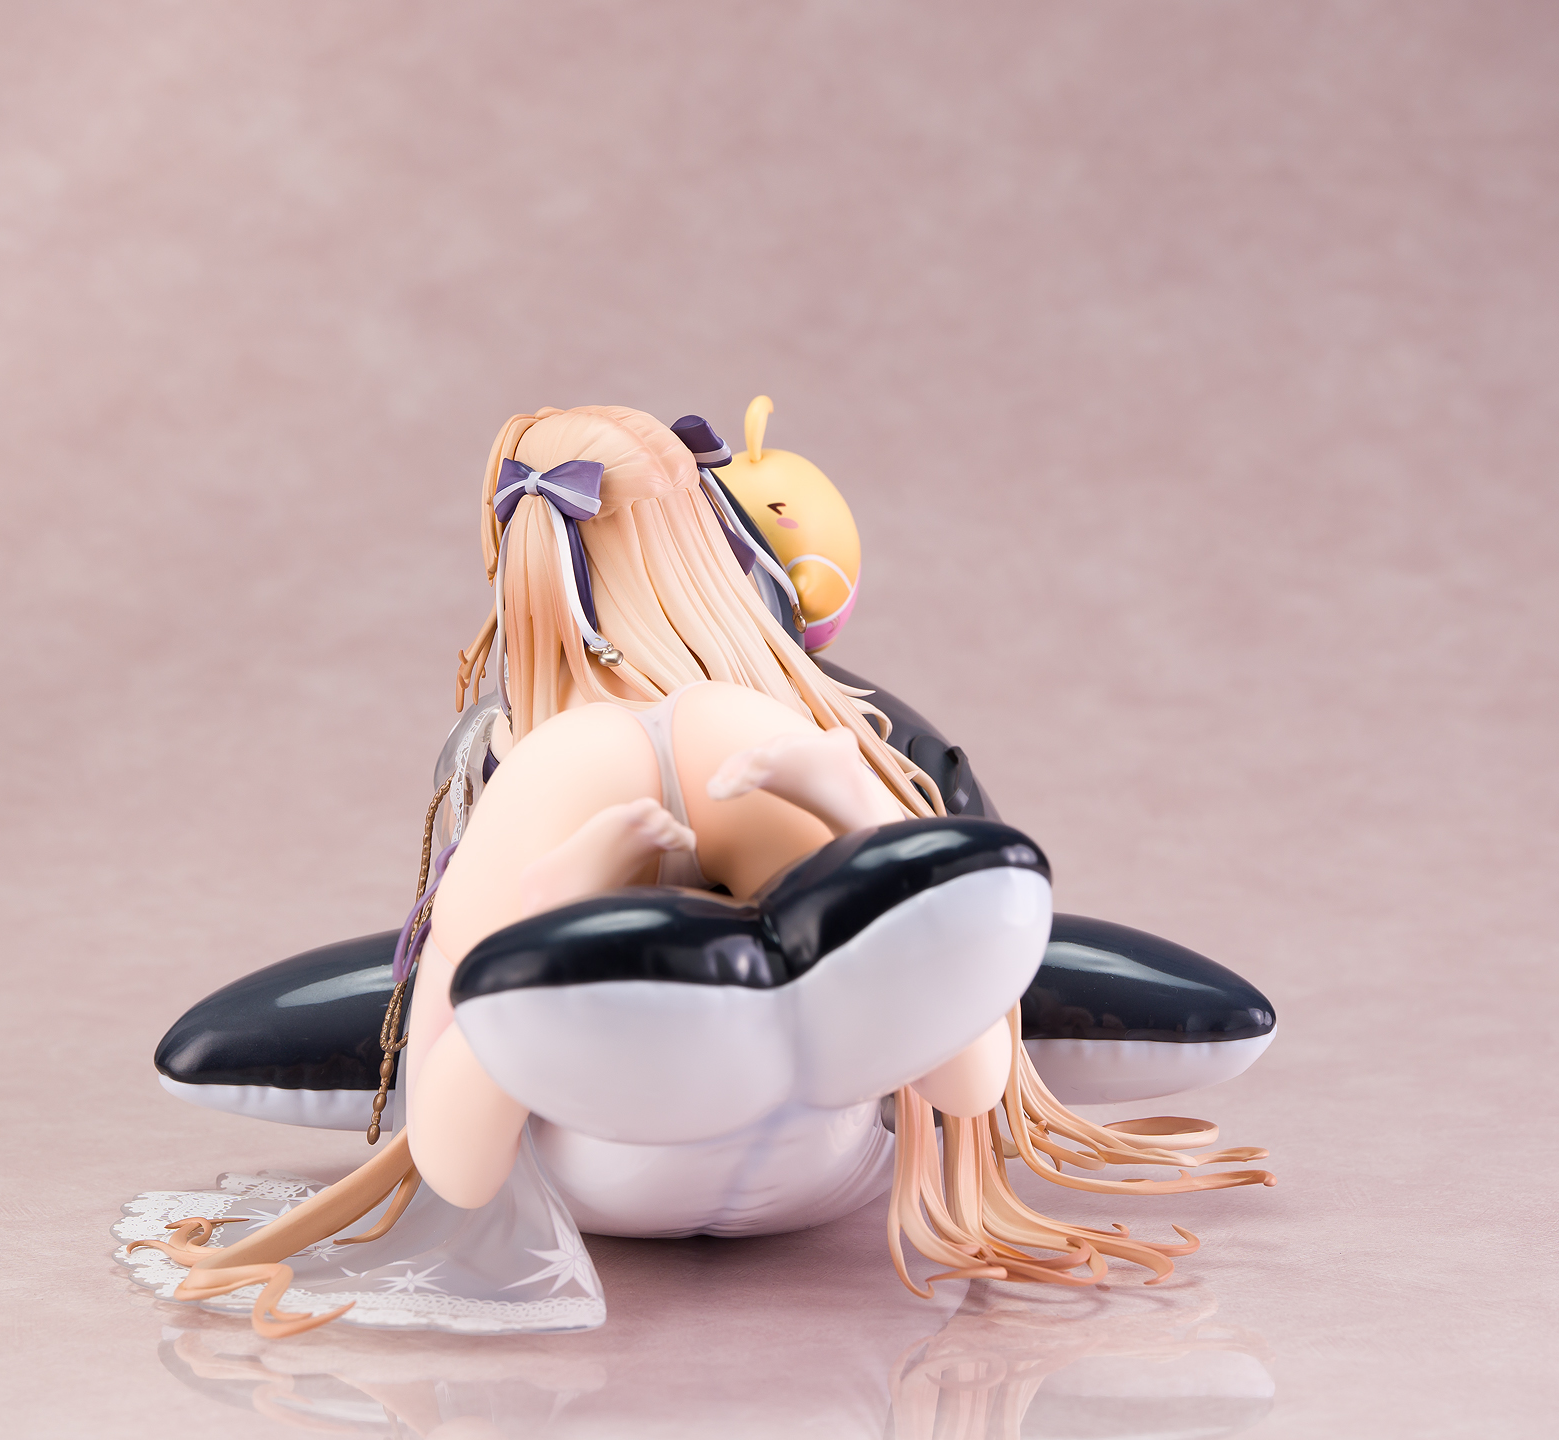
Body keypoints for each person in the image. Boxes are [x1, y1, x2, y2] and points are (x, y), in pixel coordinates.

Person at [118, 406, 1270, 1337]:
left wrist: (547, 910)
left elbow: (459, 1169)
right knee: (887, 959)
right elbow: (973, 1080)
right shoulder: (775, 727)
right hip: (831, 1167)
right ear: (710, 535)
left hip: (610, 1180)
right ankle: (763, 946)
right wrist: (854, 811)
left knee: (560, 992)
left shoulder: (537, 763)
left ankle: (612, 967)